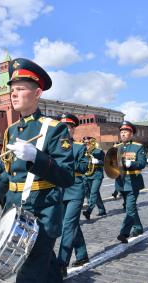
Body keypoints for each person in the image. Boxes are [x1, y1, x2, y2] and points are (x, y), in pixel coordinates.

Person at [0, 58, 75, 282]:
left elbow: (66, 176)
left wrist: (37, 157)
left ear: (37, 94)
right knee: (45, 268)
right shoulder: (12, 131)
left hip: (42, 213)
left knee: (27, 275)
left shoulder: (54, 129)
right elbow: (9, 171)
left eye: (20, 89)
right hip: (15, 210)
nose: (13, 94)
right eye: (12, 90)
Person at [57, 114, 89, 277]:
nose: (66, 130)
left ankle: (62, 263)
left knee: (67, 226)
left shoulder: (79, 147)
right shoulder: (54, 147)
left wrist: (68, 163)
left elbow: (84, 167)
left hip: (75, 188)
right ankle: (82, 255)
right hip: (59, 189)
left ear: (73, 129)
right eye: (62, 127)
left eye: (69, 127)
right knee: (71, 224)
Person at [114, 121, 147, 243]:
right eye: (121, 132)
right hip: (121, 182)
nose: (123, 134)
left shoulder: (138, 147)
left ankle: (124, 233)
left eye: (125, 132)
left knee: (130, 208)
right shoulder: (116, 148)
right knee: (131, 208)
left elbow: (142, 163)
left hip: (133, 182)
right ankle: (138, 227)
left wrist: (131, 163)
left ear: (131, 134)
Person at [82, 136, 107, 220]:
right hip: (87, 175)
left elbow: (105, 162)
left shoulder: (98, 151)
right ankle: (102, 210)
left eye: (87, 143)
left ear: (91, 142)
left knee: (93, 193)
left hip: (97, 175)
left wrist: (98, 161)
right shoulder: (83, 150)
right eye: (84, 143)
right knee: (93, 193)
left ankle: (88, 211)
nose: (86, 144)